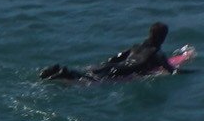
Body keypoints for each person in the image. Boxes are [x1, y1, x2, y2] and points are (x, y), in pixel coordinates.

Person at [41, 22, 177, 84]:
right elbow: (172, 71)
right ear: (163, 37)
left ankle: (63, 71)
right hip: (123, 72)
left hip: (110, 65)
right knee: (90, 83)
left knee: (90, 74)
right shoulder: (157, 53)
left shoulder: (136, 47)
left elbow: (114, 58)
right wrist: (193, 73)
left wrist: (104, 64)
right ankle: (66, 74)